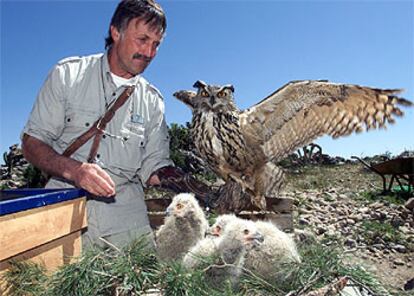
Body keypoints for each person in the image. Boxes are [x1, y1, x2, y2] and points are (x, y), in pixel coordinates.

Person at [21, 0, 173, 249]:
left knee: (145, 286)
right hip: (65, 209)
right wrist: (75, 171)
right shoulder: (68, 75)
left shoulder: (154, 101)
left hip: (127, 219)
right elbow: (32, 143)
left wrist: (184, 181)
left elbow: (154, 167)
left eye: (156, 44)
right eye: (142, 39)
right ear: (116, 32)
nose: (149, 53)